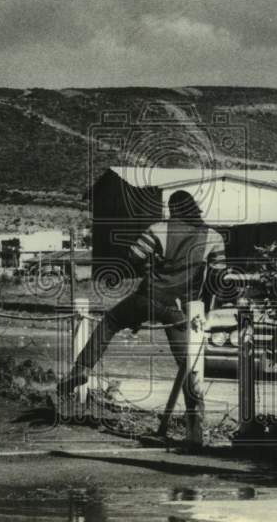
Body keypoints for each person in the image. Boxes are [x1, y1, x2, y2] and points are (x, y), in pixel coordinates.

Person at [58, 190, 226, 444]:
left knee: (111, 322)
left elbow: (134, 256)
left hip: (147, 297)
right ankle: (195, 423)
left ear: (173, 209)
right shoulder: (213, 237)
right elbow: (218, 277)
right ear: (195, 208)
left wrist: (153, 266)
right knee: (187, 363)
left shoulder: (158, 229)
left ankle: (81, 369)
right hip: (180, 306)